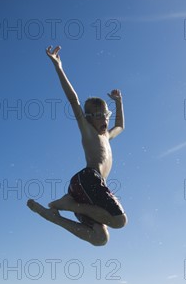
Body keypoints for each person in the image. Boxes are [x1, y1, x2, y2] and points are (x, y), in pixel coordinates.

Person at [27, 46, 127, 246]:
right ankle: (68, 204)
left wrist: (118, 103)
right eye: (97, 115)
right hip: (88, 179)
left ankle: (54, 216)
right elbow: (73, 101)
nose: (103, 118)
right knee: (119, 220)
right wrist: (59, 67)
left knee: (100, 238)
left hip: (87, 189)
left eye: (105, 114)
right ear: (88, 119)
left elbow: (121, 126)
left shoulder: (107, 136)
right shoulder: (88, 131)